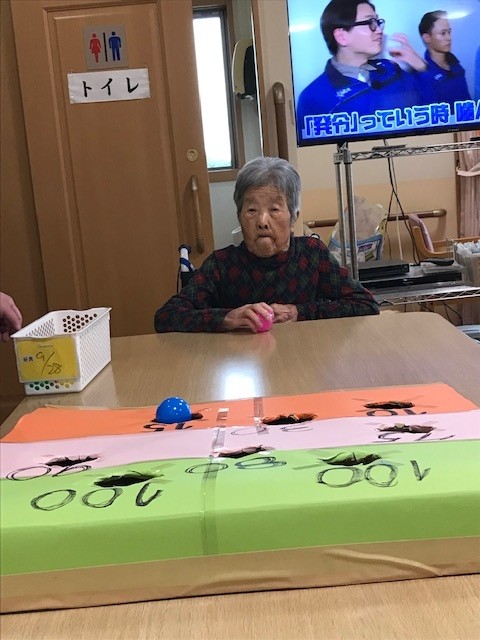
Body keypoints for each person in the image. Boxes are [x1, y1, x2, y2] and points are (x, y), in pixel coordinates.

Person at [154, 157, 379, 333]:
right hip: (242, 365)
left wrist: (298, 312)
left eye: (274, 210)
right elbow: (166, 316)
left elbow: (365, 304)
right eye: (252, 210)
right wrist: (227, 318)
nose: (262, 221)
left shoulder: (312, 254)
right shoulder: (222, 264)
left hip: (303, 359)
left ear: (293, 218)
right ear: (239, 217)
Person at [296, 0, 432, 141]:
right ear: (342, 36)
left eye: (378, 22)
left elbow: (434, 112)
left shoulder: (392, 71)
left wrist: (422, 68)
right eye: (370, 22)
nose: (379, 30)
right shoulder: (314, 97)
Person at [418, 10, 471, 109]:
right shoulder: (422, 75)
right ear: (427, 38)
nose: (449, 38)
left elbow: (467, 104)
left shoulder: (456, 66)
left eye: (449, 32)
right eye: (443, 33)